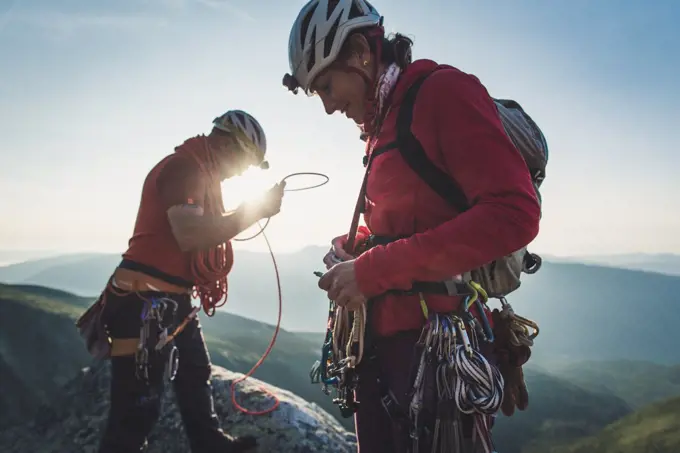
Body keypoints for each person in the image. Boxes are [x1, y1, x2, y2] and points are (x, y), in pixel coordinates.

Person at [283, 1, 542, 452]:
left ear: (361, 51)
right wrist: (357, 248)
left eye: (326, 85)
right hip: (383, 353)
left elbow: (514, 213)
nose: (326, 107)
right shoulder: (382, 122)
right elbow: (412, 220)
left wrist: (371, 271)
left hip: (436, 356)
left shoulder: (443, 93)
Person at [93, 110, 285, 453]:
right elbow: (191, 233)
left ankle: (208, 443)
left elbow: (200, 226)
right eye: (245, 162)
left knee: (194, 372)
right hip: (144, 300)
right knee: (137, 406)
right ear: (228, 144)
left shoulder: (197, 170)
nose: (243, 172)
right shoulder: (184, 169)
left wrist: (252, 209)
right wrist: (254, 211)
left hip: (166, 298)